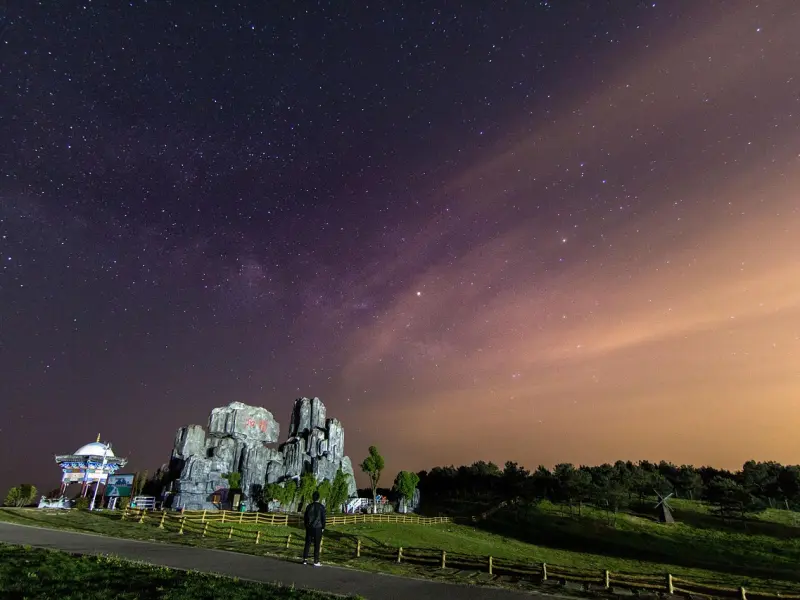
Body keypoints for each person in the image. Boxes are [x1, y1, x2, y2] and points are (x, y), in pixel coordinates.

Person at [302, 491, 326, 566]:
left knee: (307, 543)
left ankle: (305, 559)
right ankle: (315, 561)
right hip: (318, 527)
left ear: (312, 498)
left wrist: (306, 526)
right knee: (317, 545)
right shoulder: (321, 507)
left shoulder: (309, 506)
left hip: (309, 527)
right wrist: (323, 527)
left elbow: (305, 518)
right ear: (319, 498)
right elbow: (323, 518)